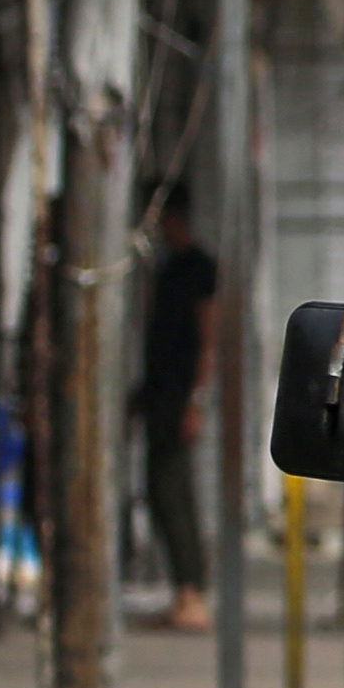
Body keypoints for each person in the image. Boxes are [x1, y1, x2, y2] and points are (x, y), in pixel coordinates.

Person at [135, 179, 227, 633]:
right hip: (159, 390)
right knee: (159, 488)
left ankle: (191, 591)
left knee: (174, 492)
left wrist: (196, 399)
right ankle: (184, 590)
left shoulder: (197, 269)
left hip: (178, 394)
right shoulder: (169, 269)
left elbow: (207, 339)